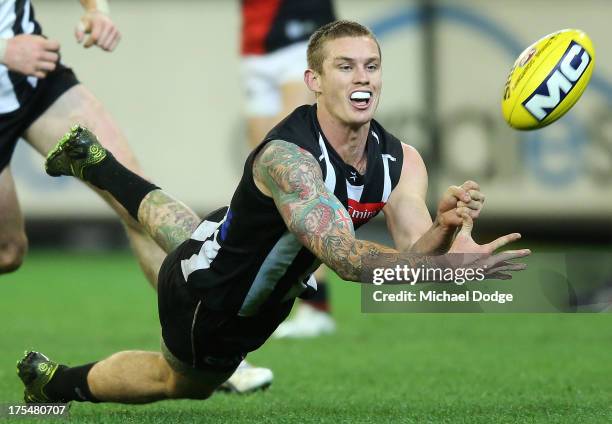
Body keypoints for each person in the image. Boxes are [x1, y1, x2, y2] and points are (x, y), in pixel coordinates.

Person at [17, 20, 529, 404]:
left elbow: (417, 247)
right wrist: (438, 267)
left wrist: (444, 232)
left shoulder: (401, 158)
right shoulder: (290, 161)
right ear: (314, 79)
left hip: (219, 238)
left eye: (371, 66)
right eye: (345, 66)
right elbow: (348, 260)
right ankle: (58, 386)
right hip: (215, 303)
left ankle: (99, 164)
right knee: (181, 384)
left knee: (186, 232)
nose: (363, 79)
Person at [0, 0, 271, 393]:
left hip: (36, 80)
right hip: (12, 60)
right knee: (8, 252)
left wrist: (97, 10)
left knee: (134, 199)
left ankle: (217, 347)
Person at [240, 0, 337, 338]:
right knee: (263, 174)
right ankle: (261, 298)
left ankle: (316, 305)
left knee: (299, 172)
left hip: (301, 33)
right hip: (255, 44)